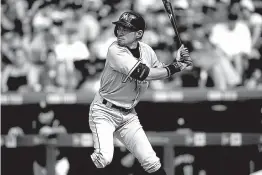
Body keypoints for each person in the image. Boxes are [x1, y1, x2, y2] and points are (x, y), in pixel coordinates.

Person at [88, 11, 192, 175]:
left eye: (126, 29)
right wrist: (176, 67)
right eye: (119, 28)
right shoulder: (115, 50)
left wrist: (177, 60)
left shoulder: (147, 50)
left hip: (128, 115)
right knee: (104, 158)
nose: (120, 32)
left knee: (151, 162)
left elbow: (158, 70)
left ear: (139, 34)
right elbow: (145, 73)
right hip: (104, 111)